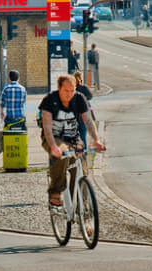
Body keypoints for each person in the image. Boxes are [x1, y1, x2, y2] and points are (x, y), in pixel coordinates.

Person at [39, 74, 106, 208]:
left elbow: (88, 120)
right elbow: (47, 127)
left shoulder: (79, 98)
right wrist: (53, 146)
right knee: (63, 155)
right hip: (54, 137)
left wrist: (97, 140)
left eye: (72, 90)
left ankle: (82, 209)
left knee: (81, 169)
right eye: (66, 91)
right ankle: (55, 193)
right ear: (59, 88)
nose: (69, 94)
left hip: (74, 138)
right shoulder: (49, 100)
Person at [73, 71, 93, 146]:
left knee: (74, 134)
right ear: (81, 78)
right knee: (83, 133)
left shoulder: (72, 89)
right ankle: (84, 151)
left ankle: (76, 150)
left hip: (74, 114)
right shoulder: (84, 88)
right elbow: (90, 96)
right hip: (84, 114)